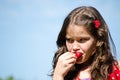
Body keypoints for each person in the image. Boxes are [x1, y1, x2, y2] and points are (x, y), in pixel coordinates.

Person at [51, 6, 120, 80]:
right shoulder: (65, 73)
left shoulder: (114, 70)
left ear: (98, 40)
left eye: (82, 40)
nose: (74, 47)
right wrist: (58, 75)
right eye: (69, 40)